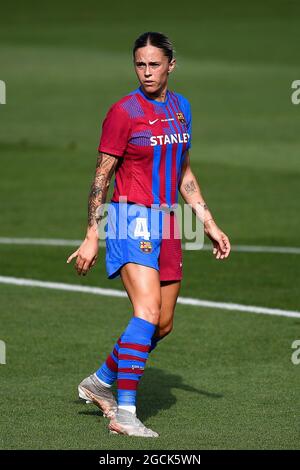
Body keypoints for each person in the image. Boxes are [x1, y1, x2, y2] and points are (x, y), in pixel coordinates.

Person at [67, 31, 231, 438]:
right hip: (128, 218)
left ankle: (101, 381)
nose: (146, 72)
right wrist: (92, 232)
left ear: (171, 65)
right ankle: (124, 413)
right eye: (140, 64)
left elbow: (184, 171)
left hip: (170, 221)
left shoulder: (181, 108)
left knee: (163, 324)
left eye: (154, 64)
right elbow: (101, 176)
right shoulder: (123, 112)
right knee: (147, 313)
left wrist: (207, 221)